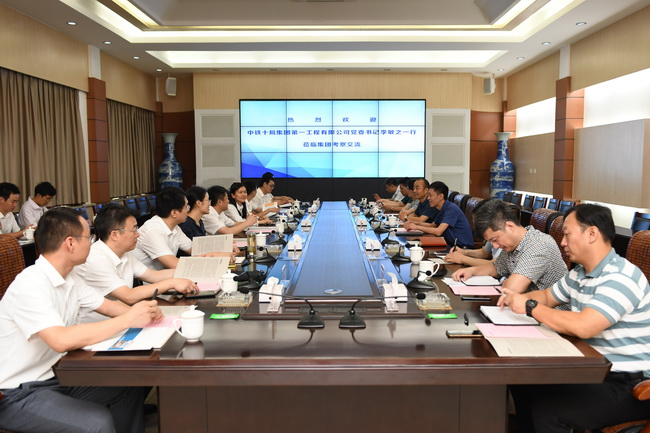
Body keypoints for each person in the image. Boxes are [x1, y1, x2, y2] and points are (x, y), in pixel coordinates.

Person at [0, 207, 160, 433]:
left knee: (128, 383)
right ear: (70, 243)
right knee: (97, 422)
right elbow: (60, 340)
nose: (92, 243)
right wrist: (129, 319)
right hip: (15, 393)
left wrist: (145, 314)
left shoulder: (70, 277)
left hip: (53, 378)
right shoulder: (31, 284)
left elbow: (108, 307)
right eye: (89, 237)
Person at [498, 204, 650, 433]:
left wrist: (529, 306)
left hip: (630, 384)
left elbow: (585, 326)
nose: (563, 242)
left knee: (549, 411)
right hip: (593, 370)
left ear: (592, 234)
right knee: (524, 384)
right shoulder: (580, 273)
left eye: (567, 234)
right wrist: (520, 298)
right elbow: (547, 296)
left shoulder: (620, 277)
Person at [77, 203, 198, 321]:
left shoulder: (124, 254)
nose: (138, 235)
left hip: (124, 317)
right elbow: (128, 296)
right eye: (134, 230)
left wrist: (192, 271)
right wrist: (172, 283)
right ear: (115, 235)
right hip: (101, 325)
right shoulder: (97, 259)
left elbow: (154, 276)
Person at [452, 199, 567, 296]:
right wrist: (471, 271)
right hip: (526, 306)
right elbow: (496, 268)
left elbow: (512, 289)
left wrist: (506, 281)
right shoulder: (514, 244)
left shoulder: (538, 245)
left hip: (550, 313)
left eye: (495, 239)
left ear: (510, 226)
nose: (495, 246)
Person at [132, 187, 233, 270]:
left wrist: (221, 252)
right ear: (174, 213)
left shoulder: (175, 227)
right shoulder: (153, 231)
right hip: (150, 283)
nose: (188, 211)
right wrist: (214, 257)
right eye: (186, 207)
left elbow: (194, 249)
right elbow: (175, 264)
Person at [403, 181, 473, 250]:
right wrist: (413, 223)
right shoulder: (442, 208)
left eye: (430, 195)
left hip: (461, 248)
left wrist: (416, 227)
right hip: (450, 245)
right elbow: (432, 225)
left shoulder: (451, 209)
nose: (428, 198)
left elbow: (438, 231)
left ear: (440, 196)